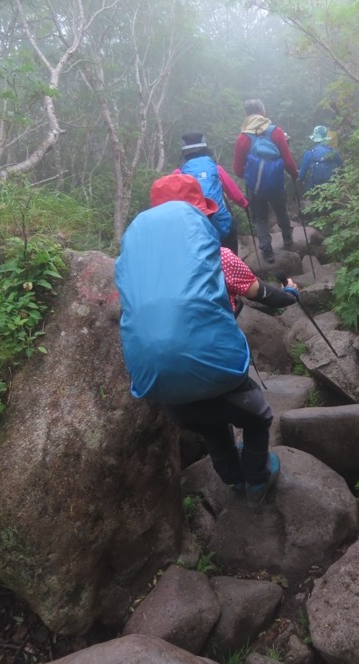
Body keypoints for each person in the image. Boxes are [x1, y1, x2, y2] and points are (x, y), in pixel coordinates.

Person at [115, 172, 299, 508]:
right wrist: (290, 295)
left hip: (162, 387)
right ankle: (257, 481)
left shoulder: (136, 270)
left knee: (211, 427)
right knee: (257, 418)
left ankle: (232, 481)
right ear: (201, 214)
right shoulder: (219, 257)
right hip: (219, 372)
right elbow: (262, 294)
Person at [233, 99, 298, 264]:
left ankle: (267, 251)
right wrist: (294, 174)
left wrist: (250, 176)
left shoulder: (242, 138)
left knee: (260, 218)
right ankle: (288, 239)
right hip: (276, 183)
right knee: (281, 211)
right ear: (263, 112)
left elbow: (237, 170)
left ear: (246, 115)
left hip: (254, 186)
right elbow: (288, 160)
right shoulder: (276, 132)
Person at [179, 132, 248, 255]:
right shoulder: (215, 168)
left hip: (196, 230)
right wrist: (245, 203)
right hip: (222, 225)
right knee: (230, 259)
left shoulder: (179, 173)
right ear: (205, 149)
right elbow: (234, 193)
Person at [298, 125, 344, 193]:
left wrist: (300, 182)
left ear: (314, 140)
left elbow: (302, 174)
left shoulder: (309, 153)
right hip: (332, 187)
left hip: (315, 187)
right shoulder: (332, 152)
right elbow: (341, 168)